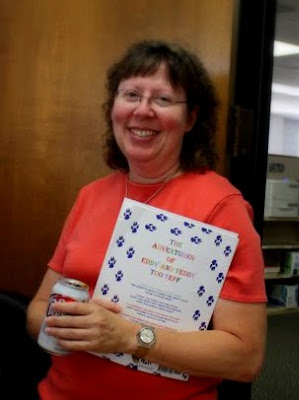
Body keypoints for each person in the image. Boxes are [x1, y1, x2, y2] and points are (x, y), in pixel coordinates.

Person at [26, 39, 267, 400]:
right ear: (114, 108)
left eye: (163, 99)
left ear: (192, 118)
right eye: (131, 94)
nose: (143, 110)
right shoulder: (91, 196)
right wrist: (69, 324)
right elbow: (36, 312)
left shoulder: (222, 207)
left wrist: (127, 336)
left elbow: (245, 357)